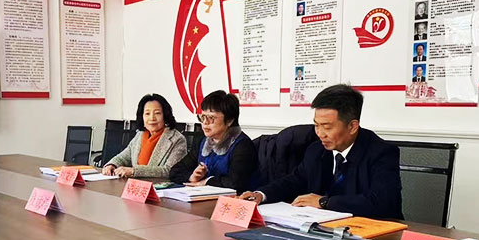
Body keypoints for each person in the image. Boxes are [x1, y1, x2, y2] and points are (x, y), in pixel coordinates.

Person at [238, 84, 403, 219]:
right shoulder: (316, 150)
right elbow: (294, 181)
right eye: (317, 125)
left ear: (352, 126)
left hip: (374, 235)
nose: (320, 133)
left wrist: (324, 202)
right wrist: (261, 194)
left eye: (327, 127)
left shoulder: (382, 153)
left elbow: (382, 203)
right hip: (326, 229)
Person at [169, 90, 257, 194]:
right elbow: (175, 171)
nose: (205, 123)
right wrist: (192, 176)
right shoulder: (202, 142)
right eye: (202, 117)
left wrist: (207, 181)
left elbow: (236, 183)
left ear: (229, 120)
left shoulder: (242, 146)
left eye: (211, 118)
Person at [102, 93, 187, 178]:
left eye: (157, 113)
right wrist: (112, 165)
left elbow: (169, 170)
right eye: (147, 113)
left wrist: (134, 171)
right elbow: (125, 156)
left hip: (159, 185)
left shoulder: (177, 139)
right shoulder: (140, 134)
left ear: (165, 115)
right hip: (136, 183)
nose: (152, 118)